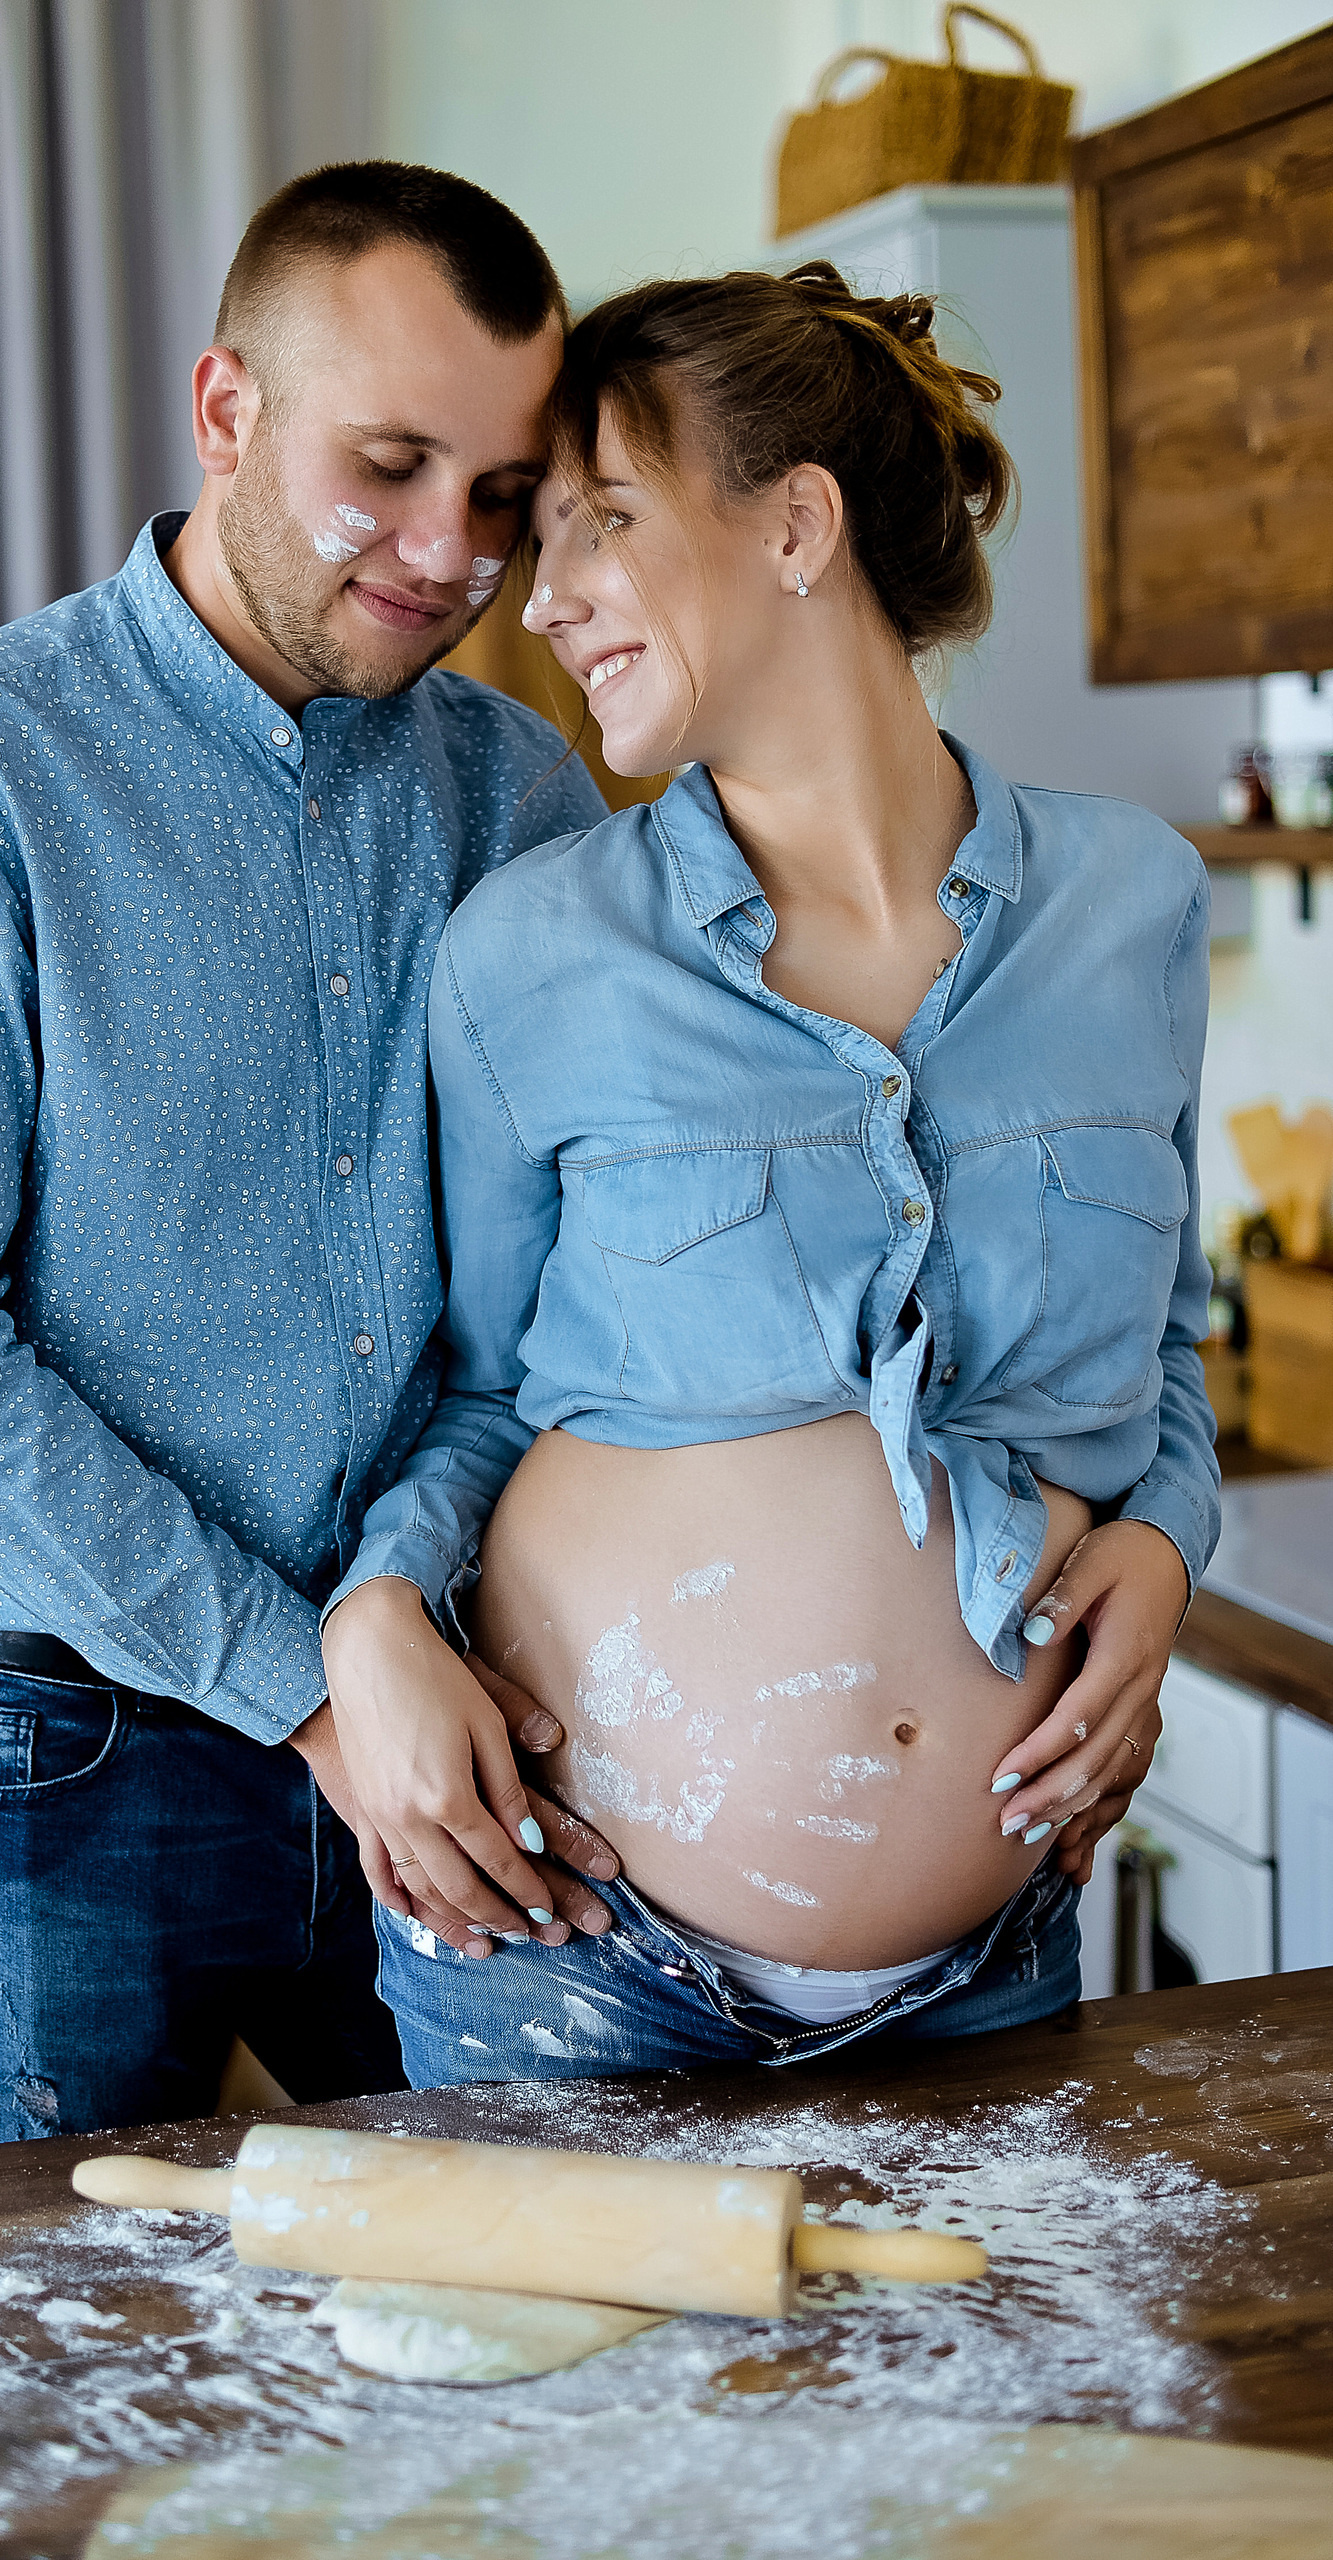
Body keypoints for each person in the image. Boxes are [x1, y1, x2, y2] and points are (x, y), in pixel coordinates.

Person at [0, 162, 623, 2151]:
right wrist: (308, 1691)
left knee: (503, 2286)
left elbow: (557, 1295)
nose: (452, 552)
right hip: (48, 1746)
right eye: (388, 467)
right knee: (75, 2322)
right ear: (225, 409)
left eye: (500, 492)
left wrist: (390, 1620)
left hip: (444, 1702)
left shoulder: (522, 794)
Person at [320, 264, 1220, 2086]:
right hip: (570, 1947)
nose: (541, 598)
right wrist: (374, 1614)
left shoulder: (1134, 901)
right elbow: (475, 1393)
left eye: (600, 525)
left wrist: (1162, 1545)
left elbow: (1167, 1348)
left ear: (797, 524)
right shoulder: (529, 953)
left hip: (991, 1951)